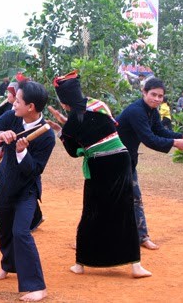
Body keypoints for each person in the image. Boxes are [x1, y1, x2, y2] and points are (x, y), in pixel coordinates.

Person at [48, 71, 151, 278]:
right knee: (124, 211)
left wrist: (62, 130)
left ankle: (81, 264)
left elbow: (73, 151)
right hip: (121, 160)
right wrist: (69, 128)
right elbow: (111, 128)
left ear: (63, 101)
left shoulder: (71, 124)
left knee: (92, 213)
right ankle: (136, 266)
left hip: (99, 166)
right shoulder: (99, 105)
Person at [0, 80, 55, 302]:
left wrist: (22, 152)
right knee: (4, 229)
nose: (13, 105)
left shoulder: (47, 136)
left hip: (26, 189)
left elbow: (34, 171)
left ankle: (37, 286)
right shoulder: (13, 117)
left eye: (17, 101)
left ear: (30, 106)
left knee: (21, 232)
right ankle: (8, 265)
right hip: (4, 182)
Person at [117, 77, 183, 250]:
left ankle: (141, 237)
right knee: (106, 201)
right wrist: (175, 143)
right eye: (153, 94)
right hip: (111, 160)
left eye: (160, 96)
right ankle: (85, 240)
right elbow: (149, 139)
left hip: (127, 159)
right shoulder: (136, 111)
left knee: (135, 198)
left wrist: (182, 136)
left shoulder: (152, 111)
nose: (157, 99)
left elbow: (159, 130)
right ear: (144, 92)